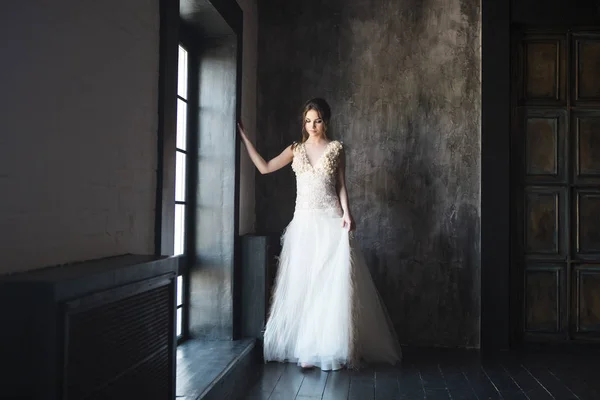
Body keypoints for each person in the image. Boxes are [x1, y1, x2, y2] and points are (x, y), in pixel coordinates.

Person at [237, 98, 401, 371]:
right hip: (303, 224)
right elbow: (264, 167)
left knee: (330, 288)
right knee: (306, 286)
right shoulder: (295, 149)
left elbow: (341, 186)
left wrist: (348, 213)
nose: (312, 126)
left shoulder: (336, 149)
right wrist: (244, 138)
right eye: (308, 121)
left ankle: (329, 348)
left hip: (330, 221)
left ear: (326, 121)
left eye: (318, 120)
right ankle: (308, 348)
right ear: (304, 123)